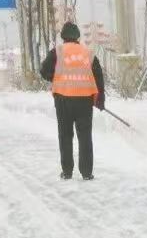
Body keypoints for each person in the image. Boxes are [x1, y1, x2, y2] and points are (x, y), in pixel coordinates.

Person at [39, 22, 105, 181]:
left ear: (63, 37)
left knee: (65, 135)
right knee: (85, 136)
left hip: (63, 99)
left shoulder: (57, 52)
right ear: (77, 36)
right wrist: (100, 100)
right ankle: (87, 173)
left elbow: (44, 70)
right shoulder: (88, 53)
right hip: (84, 100)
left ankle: (67, 171)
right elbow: (98, 76)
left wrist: (54, 78)